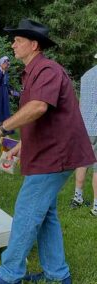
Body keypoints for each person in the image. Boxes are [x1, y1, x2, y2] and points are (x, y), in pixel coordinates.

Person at [0, 19, 96, 284]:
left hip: (57, 155)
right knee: (46, 215)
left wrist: (2, 128)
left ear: (34, 44)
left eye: (18, 40)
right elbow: (41, 119)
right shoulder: (33, 71)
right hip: (50, 151)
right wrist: (21, 145)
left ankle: (9, 274)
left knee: (27, 211)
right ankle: (57, 274)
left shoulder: (48, 70)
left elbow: (38, 107)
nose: (13, 44)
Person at [70, 63, 97, 216]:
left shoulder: (86, 75)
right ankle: (96, 206)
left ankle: (77, 197)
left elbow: (81, 102)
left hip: (84, 127)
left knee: (83, 163)